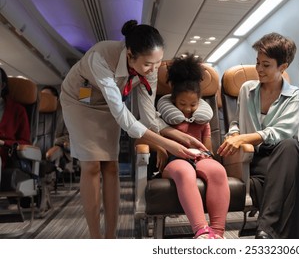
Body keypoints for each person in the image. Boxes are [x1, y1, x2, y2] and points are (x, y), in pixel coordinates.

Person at [60, 20, 205, 239]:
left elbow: (148, 117)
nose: (153, 69)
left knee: (111, 166)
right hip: (80, 102)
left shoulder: (150, 68)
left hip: (110, 106)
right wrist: (169, 144)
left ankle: (111, 237)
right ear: (129, 54)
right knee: (91, 165)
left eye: (157, 63)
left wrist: (177, 137)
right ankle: (95, 238)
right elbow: (123, 117)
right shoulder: (100, 56)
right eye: (148, 64)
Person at [217, 32, 299, 239]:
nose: (259, 69)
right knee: (286, 174)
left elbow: (282, 132)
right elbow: (236, 122)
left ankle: (266, 229)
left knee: (289, 145)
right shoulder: (247, 90)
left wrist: (244, 138)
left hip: (286, 154)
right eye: (257, 63)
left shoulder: (296, 96)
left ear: (283, 67)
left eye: (266, 65)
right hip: (257, 156)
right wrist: (233, 134)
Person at [155, 53, 230, 239]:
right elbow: (153, 137)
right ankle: (201, 230)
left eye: (192, 104)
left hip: (199, 157)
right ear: (173, 100)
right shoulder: (164, 117)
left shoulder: (202, 119)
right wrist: (160, 148)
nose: (187, 108)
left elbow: (207, 150)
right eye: (182, 103)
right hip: (175, 161)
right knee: (185, 172)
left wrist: (208, 156)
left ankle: (218, 232)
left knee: (218, 171)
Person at [0, 67, 31, 186]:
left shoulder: (17, 110)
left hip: (5, 154)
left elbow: (25, 141)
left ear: (2, 86)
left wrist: (4, 143)